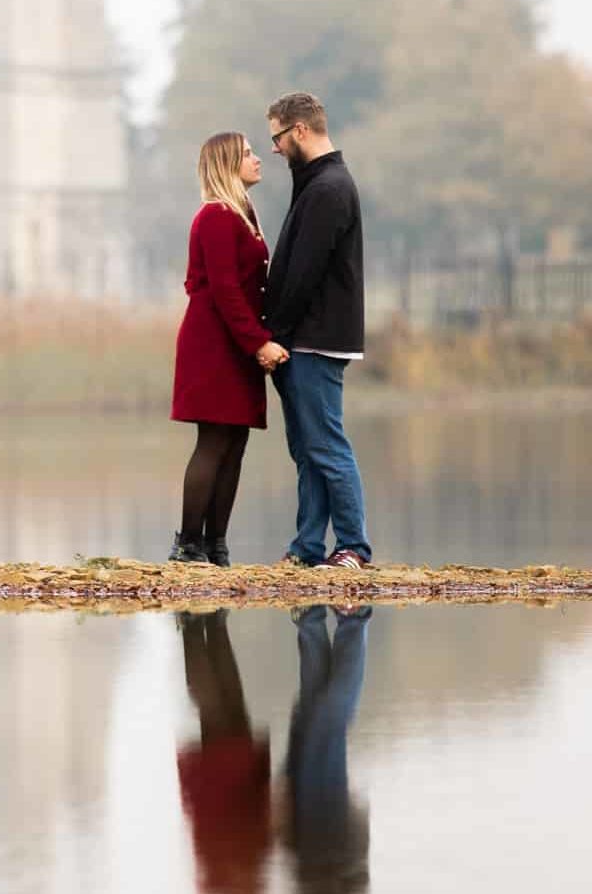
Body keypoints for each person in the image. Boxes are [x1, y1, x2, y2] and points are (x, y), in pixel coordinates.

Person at [262, 92, 372, 569]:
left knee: (326, 445)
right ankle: (308, 546)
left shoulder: (328, 188)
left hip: (315, 338)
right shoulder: (315, 184)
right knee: (308, 449)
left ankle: (353, 547)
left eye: (278, 137)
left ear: (300, 131)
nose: (274, 149)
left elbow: (304, 273)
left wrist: (275, 335)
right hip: (302, 337)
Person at [170, 131, 287, 565]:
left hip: (234, 343)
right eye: (247, 154)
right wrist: (258, 343)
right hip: (214, 345)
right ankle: (188, 546)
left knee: (234, 442)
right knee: (213, 441)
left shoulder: (241, 214)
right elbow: (224, 291)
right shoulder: (216, 216)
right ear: (226, 165)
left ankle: (216, 546)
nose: (258, 159)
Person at [175, 609, 273, 893]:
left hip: (227, 797)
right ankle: (203, 624)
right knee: (223, 708)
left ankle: (199, 624)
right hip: (229, 797)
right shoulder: (237, 874)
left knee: (221, 709)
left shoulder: (223, 875)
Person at [282, 604, 373, 892]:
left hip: (306, 830)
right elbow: (357, 877)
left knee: (311, 716)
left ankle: (310, 617)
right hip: (330, 836)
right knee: (327, 724)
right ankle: (353, 619)